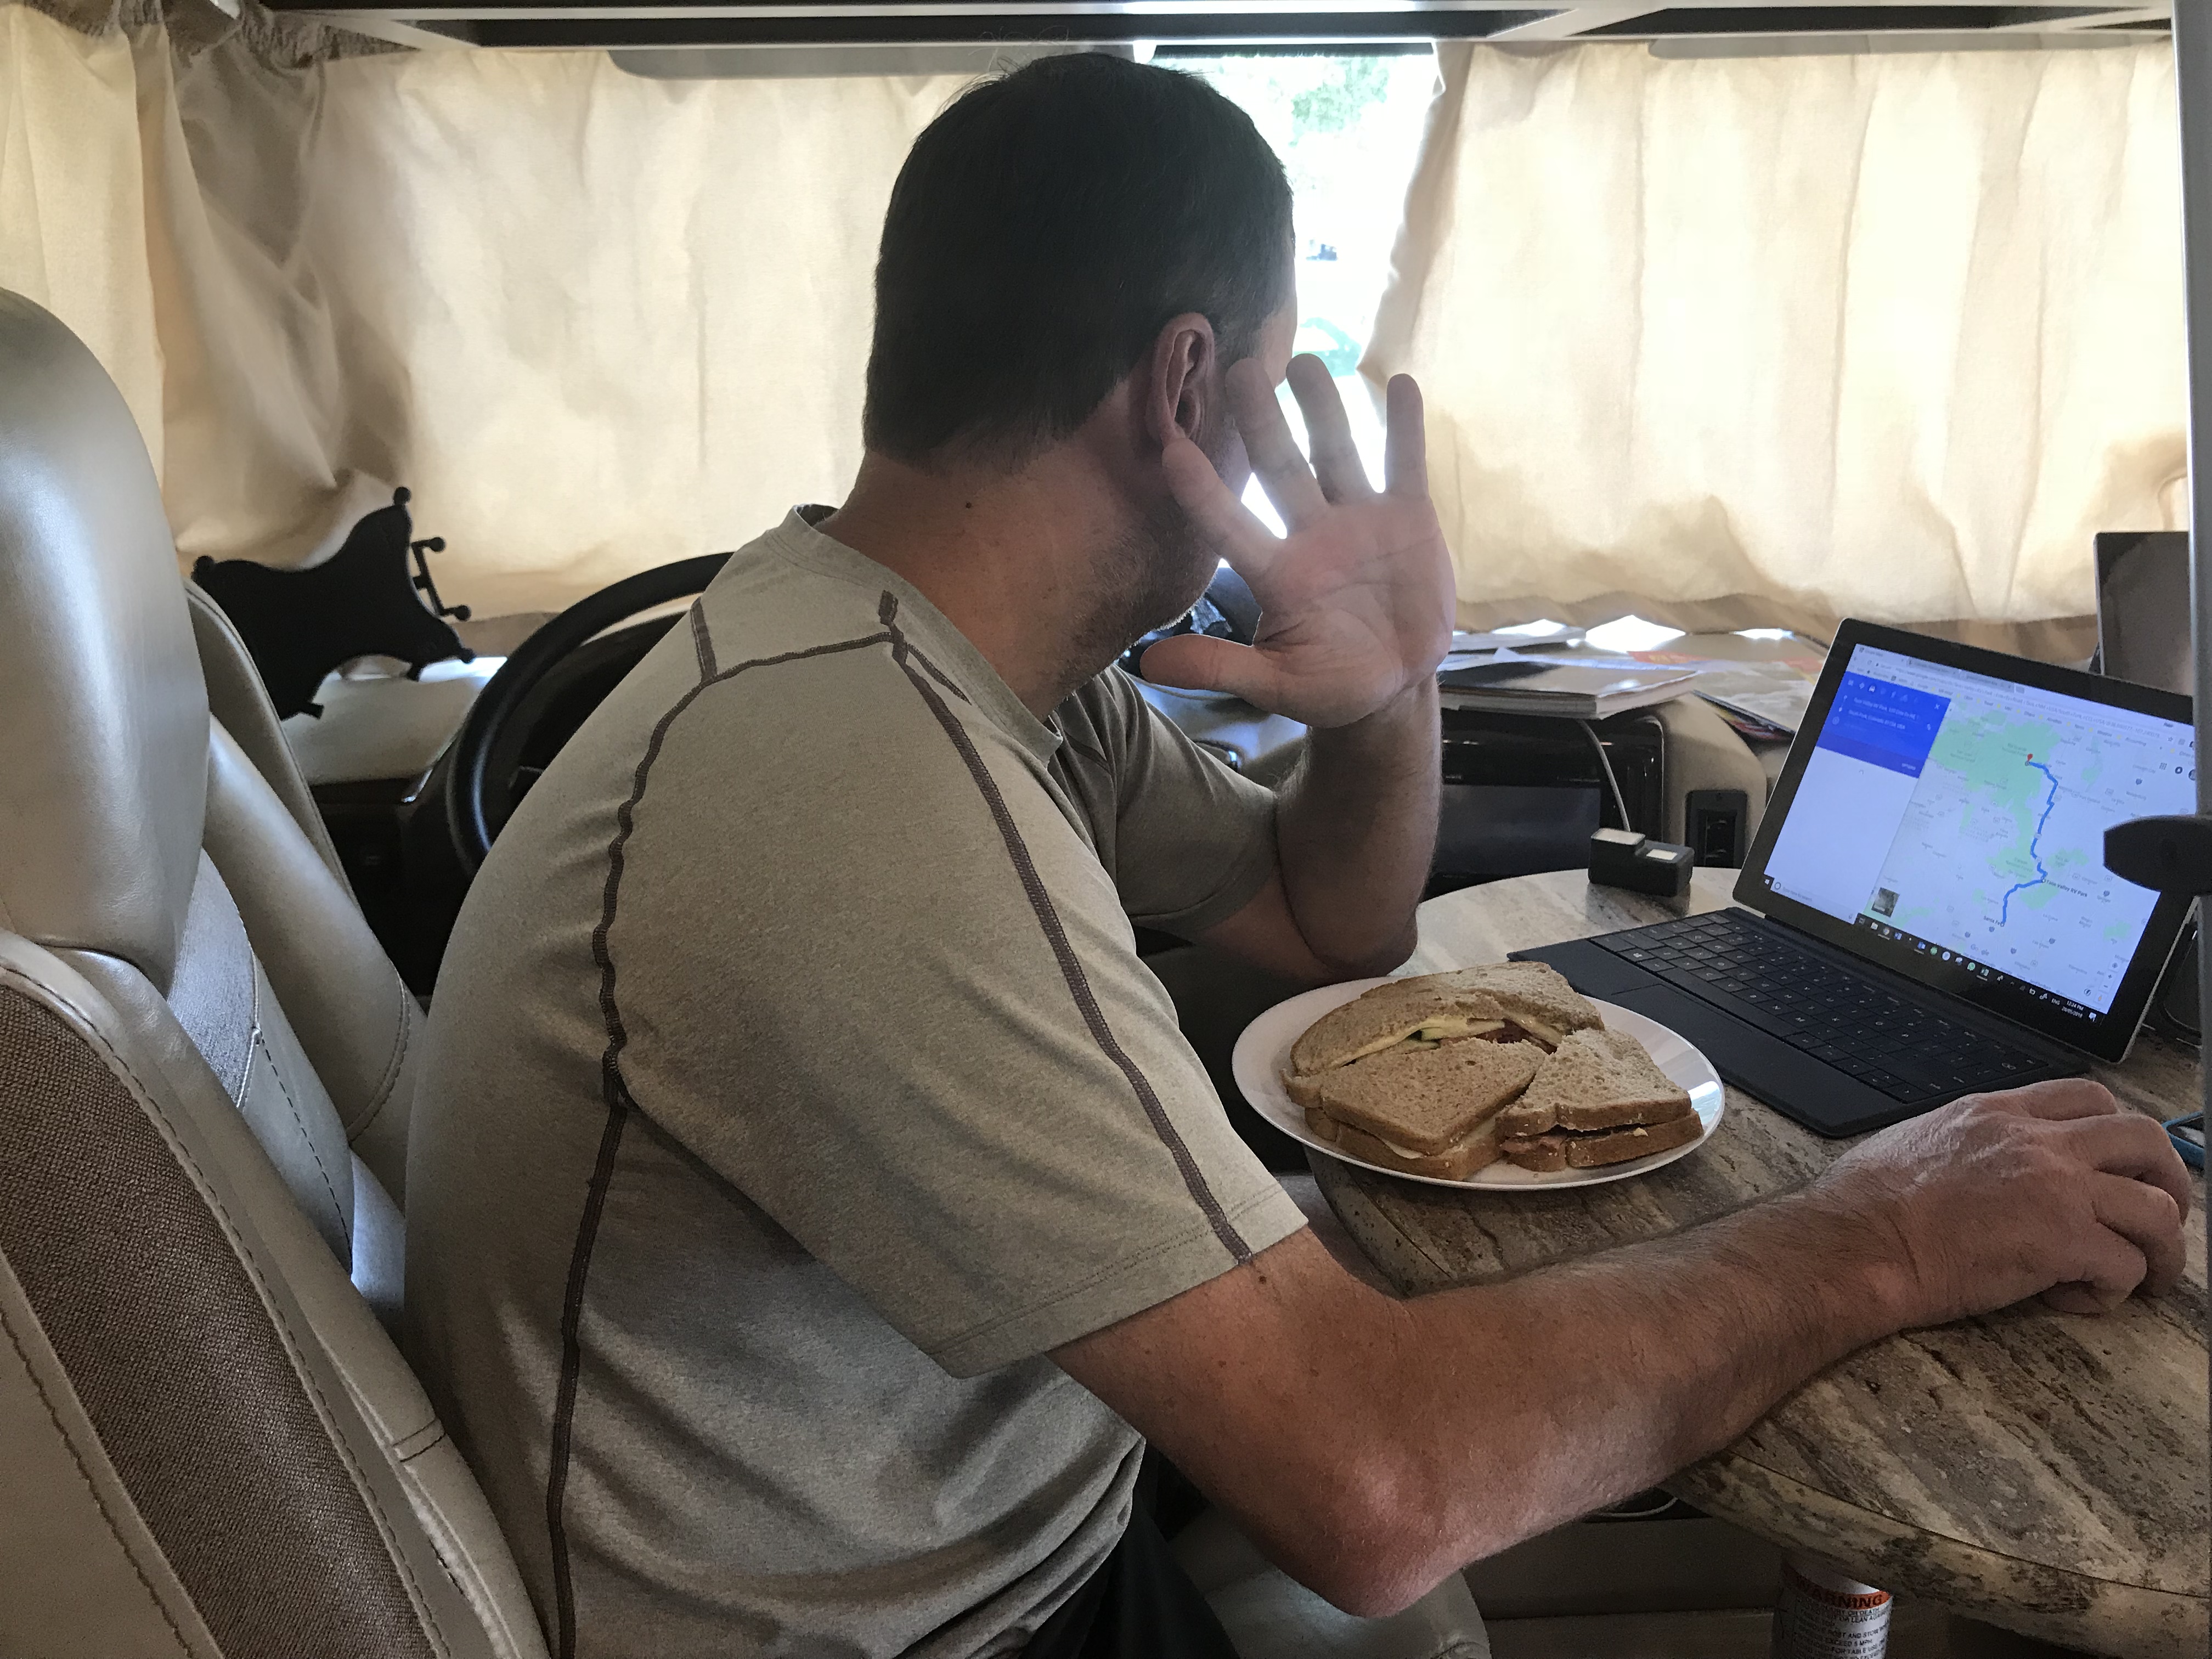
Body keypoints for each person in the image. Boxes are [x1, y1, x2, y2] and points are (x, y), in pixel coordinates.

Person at [403, 51, 2194, 1659]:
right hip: (939, 1622)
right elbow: (1377, 1488)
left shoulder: (954, 671)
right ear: (1188, 384)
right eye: (1271, 383)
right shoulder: (853, 791)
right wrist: (1887, 1232)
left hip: (999, 1510)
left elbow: (1329, 919)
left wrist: (1388, 691)